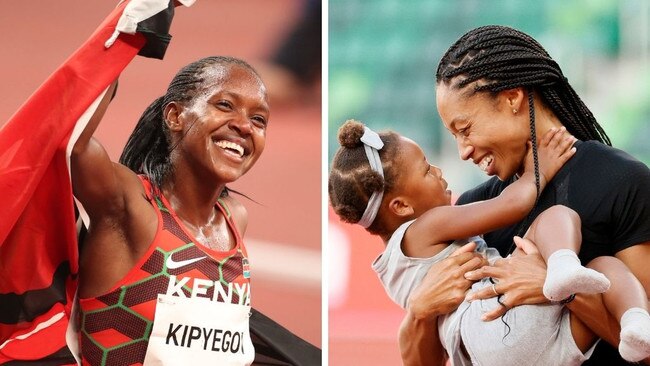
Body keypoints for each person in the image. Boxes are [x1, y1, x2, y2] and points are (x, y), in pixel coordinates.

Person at [398, 25, 650, 365]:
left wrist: (561, 291)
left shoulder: (623, 181)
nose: (463, 151)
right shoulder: (472, 209)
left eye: (465, 129)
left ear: (512, 99)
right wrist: (419, 311)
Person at [329, 120, 650, 364]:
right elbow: (513, 204)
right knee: (561, 220)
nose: (440, 170)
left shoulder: (390, 267)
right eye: (427, 169)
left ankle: (634, 327)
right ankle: (565, 267)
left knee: (601, 276)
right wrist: (541, 168)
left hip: (485, 353)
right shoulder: (428, 225)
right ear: (401, 207)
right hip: (497, 316)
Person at [70, 56, 269, 365]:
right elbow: (72, 145)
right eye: (225, 106)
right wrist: (125, 38)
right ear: (175, 116)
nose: (244, 126)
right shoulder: (129, 205)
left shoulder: (234, 220)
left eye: (259, 120)